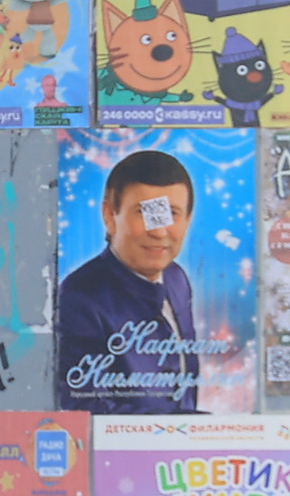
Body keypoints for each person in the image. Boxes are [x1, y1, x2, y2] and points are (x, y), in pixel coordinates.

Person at [55, 149, 201, 412]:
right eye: (145, 213)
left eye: (172, 214)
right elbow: (82, 405)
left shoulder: (177, 278)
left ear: (189, 220)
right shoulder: (79, 297)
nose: (158, 231)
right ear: (110, 216)